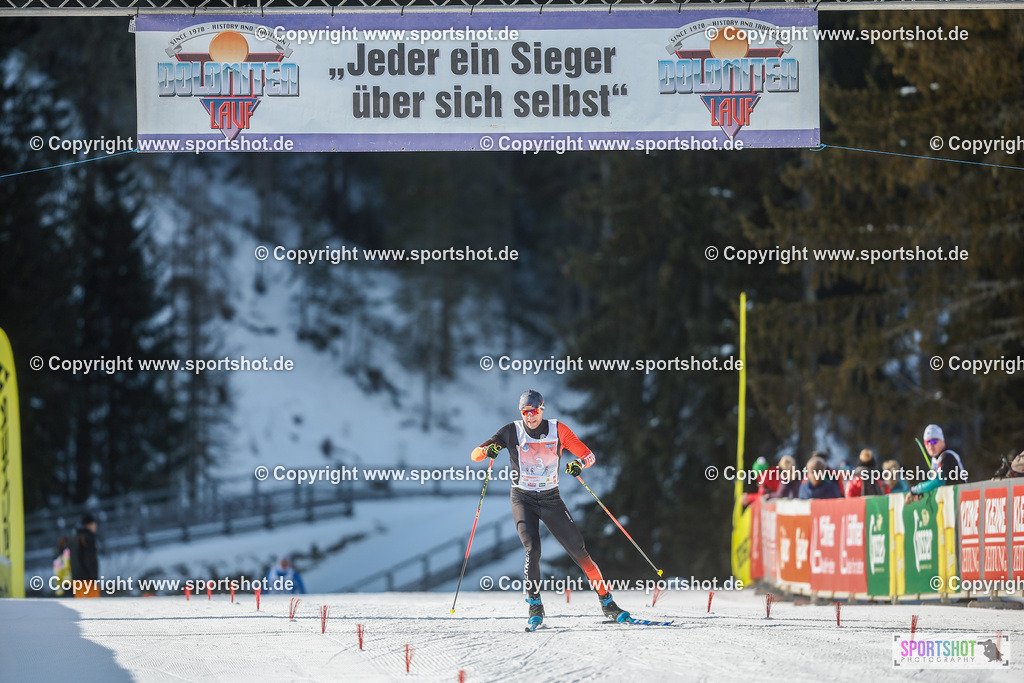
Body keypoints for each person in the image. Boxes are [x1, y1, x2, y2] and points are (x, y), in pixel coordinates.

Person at [470, 389, 629, 627]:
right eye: (524, 412)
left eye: (533, 411)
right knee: (532, 550)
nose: (529, 416)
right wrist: (487, 450)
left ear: (542, 409)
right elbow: (475, 455)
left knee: (579, 551)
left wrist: (578, 464)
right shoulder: (511, 431)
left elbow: (589, 455)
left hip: (550, 499)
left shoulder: (558, 429)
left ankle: (607, 603)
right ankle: (535, 604)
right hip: (522, 499)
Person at [906, 424, 965, 503]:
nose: (930, 445)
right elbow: (932, 483)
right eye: (927, 442)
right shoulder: (935, 460)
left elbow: (939, 481)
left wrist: (916, 490)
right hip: (949, 502)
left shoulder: (947, 456)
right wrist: (923, 491)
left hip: (960, 501)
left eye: (934, 441)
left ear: (942, 441)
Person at [69, 513, 99, 598]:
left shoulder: (74, 537)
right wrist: (93, 577)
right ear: (89, 525)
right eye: (93, 524)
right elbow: (90, 559)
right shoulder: (88, 537)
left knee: (82, 608)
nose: (95, 526)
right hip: (88, 580)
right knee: (94, 609)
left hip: (76, 580)